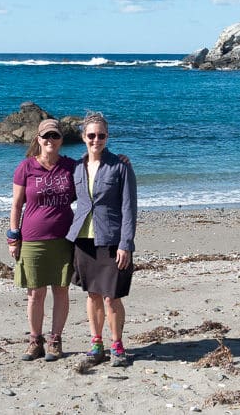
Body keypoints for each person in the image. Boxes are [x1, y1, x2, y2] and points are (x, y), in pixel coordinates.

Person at [66, 112, 137, 367]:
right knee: (93, 295)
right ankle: (97, 344)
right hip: (83, 240)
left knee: (111, 296)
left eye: (101, 135)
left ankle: (117, 345)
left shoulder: (120, 166)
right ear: (84, 137)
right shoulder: (76, 167)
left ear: (107, 137)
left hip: (111, 239)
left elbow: (129, 208)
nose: (96, 140)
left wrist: (125, 244)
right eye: (91, 135)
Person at [8, 118, 76, 361]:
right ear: (38, 139)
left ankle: (55, 340)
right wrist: (13, 237)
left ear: (61, 140)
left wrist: (118, 160)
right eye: (46, 136)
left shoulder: (71, 167)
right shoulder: (26, 167)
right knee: (35, 293)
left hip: (64, 239)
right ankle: (35, 340)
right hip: (32, 239)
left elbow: (95, 172)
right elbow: (16, 206)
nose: (50, 140)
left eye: (55, 136)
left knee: (61, 290)